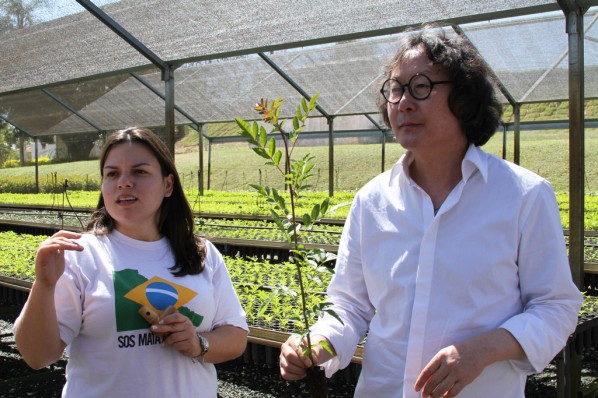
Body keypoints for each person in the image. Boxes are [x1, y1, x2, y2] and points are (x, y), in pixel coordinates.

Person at [279, 26, 583, 398]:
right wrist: (320, 341)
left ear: (465, 99)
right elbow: (349, 303)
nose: (403, 102)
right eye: (395, 89)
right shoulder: (372, 201)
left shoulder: (523, 196)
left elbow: (555, 306)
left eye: (420, 86)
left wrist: (483, 350)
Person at [14, 127, 248, 397]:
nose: (124, 182)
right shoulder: (79, 254)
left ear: (168, 184)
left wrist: (199, 344)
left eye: (139, 171)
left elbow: (236, 335)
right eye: (112, 174)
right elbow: (37, 356)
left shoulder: (201, 253)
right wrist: (44, 284)